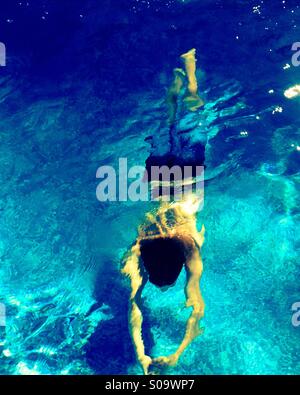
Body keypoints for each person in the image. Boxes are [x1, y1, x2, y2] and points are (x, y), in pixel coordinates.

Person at [121, 49, 206, 375]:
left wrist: (175, 354)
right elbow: (133, 306)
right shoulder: (140, 245)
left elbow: (196, 311)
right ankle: (175, 88)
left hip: (189, 186)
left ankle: (191, 75)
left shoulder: (190, 248)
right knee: (167, 127)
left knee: (193, 123)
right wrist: (143, 354)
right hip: (161, 184)